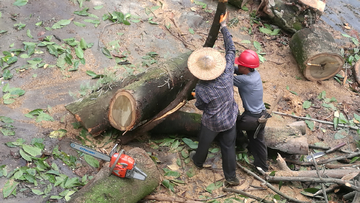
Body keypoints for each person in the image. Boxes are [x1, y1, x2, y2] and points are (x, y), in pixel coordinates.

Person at [187, 12, 240, 186]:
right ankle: (231, 177)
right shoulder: (227, 73)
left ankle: (198, 161)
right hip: (230, 118)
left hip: (212, 123)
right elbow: (231, 49)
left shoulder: (202, 88)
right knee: (228, 147)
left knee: (204, 142)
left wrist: (195, 96)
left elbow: (201, 106)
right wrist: (224, 27)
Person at [233, 50, 269, 172]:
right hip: (262, 115)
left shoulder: (245, 80)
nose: (238, 66)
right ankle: (262, 167)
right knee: (257, 141)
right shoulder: (255, 74)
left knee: (230, 124)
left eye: (239, 64)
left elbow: (225, 78)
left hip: (251, 118)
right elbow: (236, 70)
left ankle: (239, 144)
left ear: (245, 67)